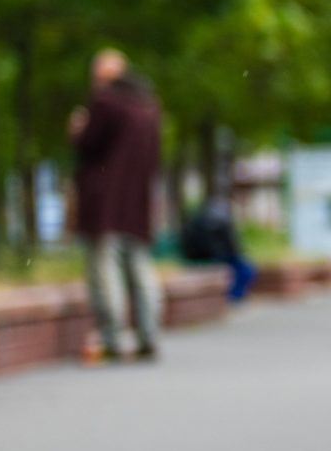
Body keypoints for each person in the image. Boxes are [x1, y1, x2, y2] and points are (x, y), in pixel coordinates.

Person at [69, 50, 163, 362]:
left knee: (105, 268)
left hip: (106, 203)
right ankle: (148, 333)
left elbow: (87, 145)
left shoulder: (105, 103)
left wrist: (78, 129)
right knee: (139, 267)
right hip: (137, 204)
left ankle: (111, 337)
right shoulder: (148, 105)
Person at [179, 197, 256, 302]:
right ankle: (234, 296)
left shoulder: (202, 220)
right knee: (245, 269)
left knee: (242, 267)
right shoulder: (216, 222)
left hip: (206, 256)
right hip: (212, 257)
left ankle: (234, 295)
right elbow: (229, 245)